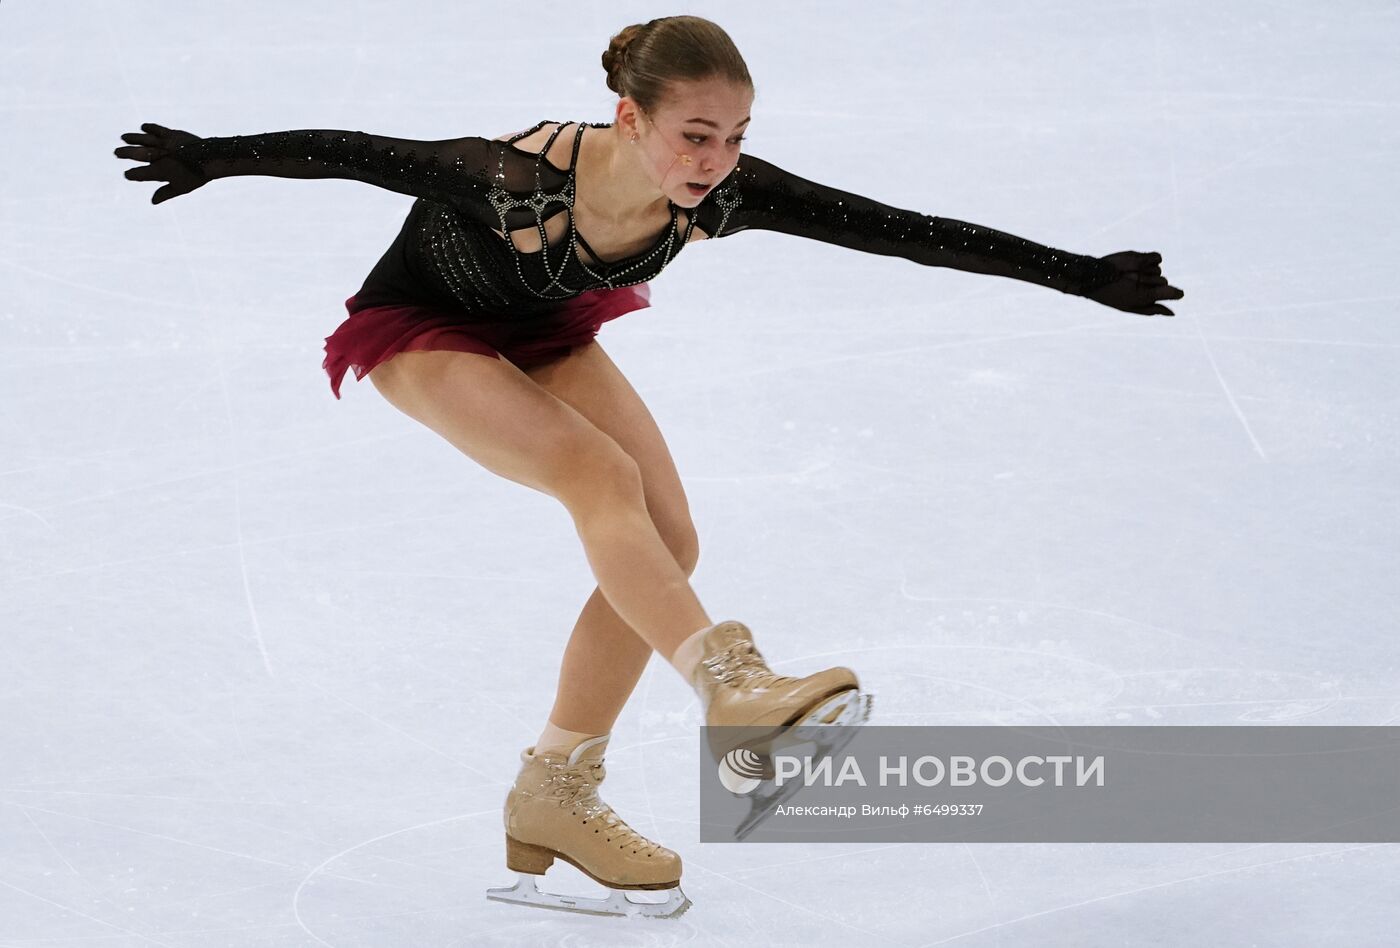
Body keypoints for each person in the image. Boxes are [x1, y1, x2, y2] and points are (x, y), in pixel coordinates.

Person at [114, 14, 1183, 919]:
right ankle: (734, 690)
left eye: (732, 136)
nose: (712, 158)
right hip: (424, 330)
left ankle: (554, 794)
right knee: (596, 479)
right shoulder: (513, 177)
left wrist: (1076, 274)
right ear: (631, 119)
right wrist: (214, 153)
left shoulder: (721, 193)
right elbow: (358, 149)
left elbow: (898, 232)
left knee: (668, 540)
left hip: (546, 327)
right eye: (693, 133)